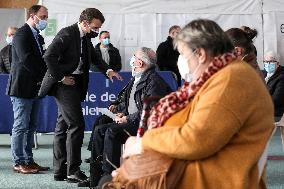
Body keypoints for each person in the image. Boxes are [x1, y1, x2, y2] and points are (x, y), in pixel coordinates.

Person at [122, 19, 274, 189]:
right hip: (208, 171)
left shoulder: (231, 79)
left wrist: (143, 143)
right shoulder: (222, 75)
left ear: (201, 54)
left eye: (184, 54)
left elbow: (195, 139)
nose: (181, 62)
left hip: (217, 178)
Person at [39, 8, 122, 183]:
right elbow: (48, 56)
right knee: (77, 124)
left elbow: (93, 57)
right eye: (95, 27)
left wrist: (108, 70)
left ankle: (60, 170)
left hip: (75, 83)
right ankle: (73, 170)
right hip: (62, 84)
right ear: (85, 23)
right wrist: (61, 77)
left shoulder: (84, 36)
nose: (97, 32)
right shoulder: (67, 34)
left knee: (63, 126)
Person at [78, 47, 173, 187]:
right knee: (100, 128)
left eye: (134, 56)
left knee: (112, 132)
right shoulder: (136, 78)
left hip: (145, 124)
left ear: (140, 63)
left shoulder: (154, 81)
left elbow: (151, 110)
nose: (132, 59)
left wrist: (127, 118)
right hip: (135, 119)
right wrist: (123, 112)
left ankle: (111, 178)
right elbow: (130, 102)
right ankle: (95, 177)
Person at [6, 5, 49, 174]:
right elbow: (27, 61)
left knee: (31, 126)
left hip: (34, 88)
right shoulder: (21, 34)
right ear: (33, 15)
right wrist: (46, 76)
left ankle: (29, 160)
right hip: (21, 88)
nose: (45, 19)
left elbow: (42, 58)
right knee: (20, 126)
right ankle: (19, 162)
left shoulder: (37, 36)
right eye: (43, 16)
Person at [263, 51, 284, 121]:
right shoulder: (263, 73)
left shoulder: (282, 78)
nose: (268, 64)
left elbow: (275, 100)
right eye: (266, 61)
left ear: (277, 64)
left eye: (271, 61)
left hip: (274, 114)